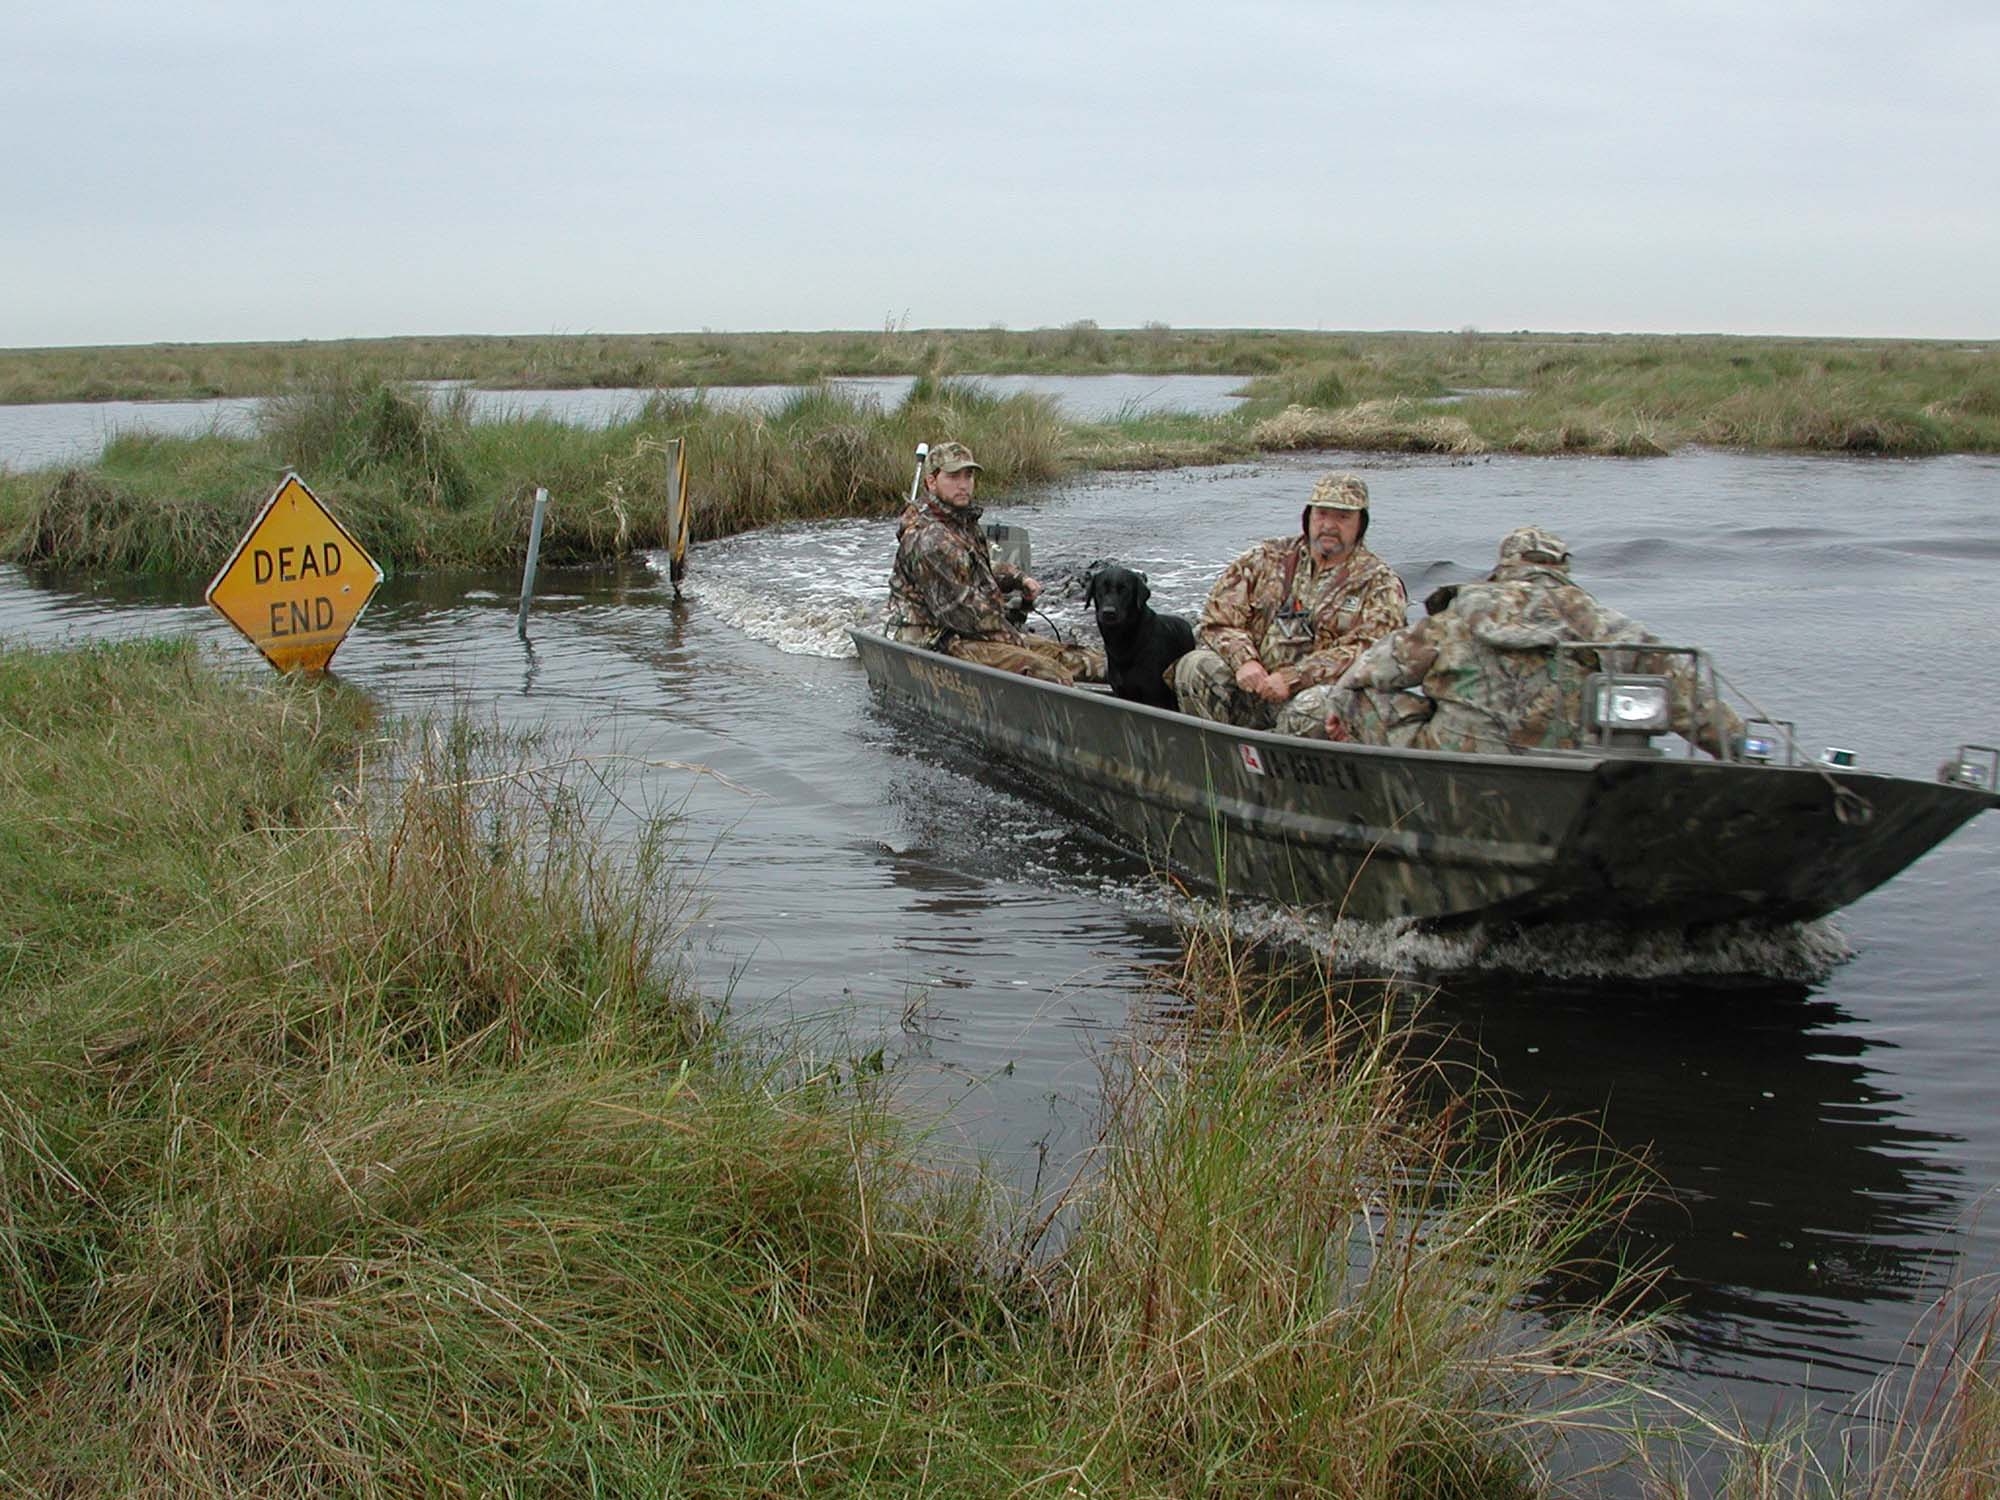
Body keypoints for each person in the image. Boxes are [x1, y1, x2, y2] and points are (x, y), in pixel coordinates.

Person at [1303, 524, 1746, 756]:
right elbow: (1683, 688)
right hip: (1561, 771)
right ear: (1562, 571)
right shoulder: (1601, 625)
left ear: (1503, 568)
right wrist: (1740, 745)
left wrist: (1341, 706)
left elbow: (1371, 669)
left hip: (1452, 762)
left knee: (1354, 696)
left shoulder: (1455, 617)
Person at [1170, 471, 1408, 734]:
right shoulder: (1266, 557)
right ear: (1308, 516)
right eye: (1322, 514)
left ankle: (1279, 771)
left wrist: (1296, 677)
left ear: (1361, 523)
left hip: (1315, 698)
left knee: (1313, 706)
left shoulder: (1379, 581)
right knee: (1195, 666)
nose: (1329, 525)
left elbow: (1373, 651)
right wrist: (1245, 661)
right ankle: (1215, 762)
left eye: (1342, 517)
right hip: (1255, 687)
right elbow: (1218, 621)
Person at [883, 441, 1105, 685]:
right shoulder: (927, 539)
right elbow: (962, 612)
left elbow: (977, 567)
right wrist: (1014, 637)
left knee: (1086, 660)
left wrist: (1019, 578)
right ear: (931, 482)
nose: (963, 484)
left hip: (974, 633)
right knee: (1049, 672)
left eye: (968, 476)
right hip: (937, 640)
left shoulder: (961, 522)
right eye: (953, 476)